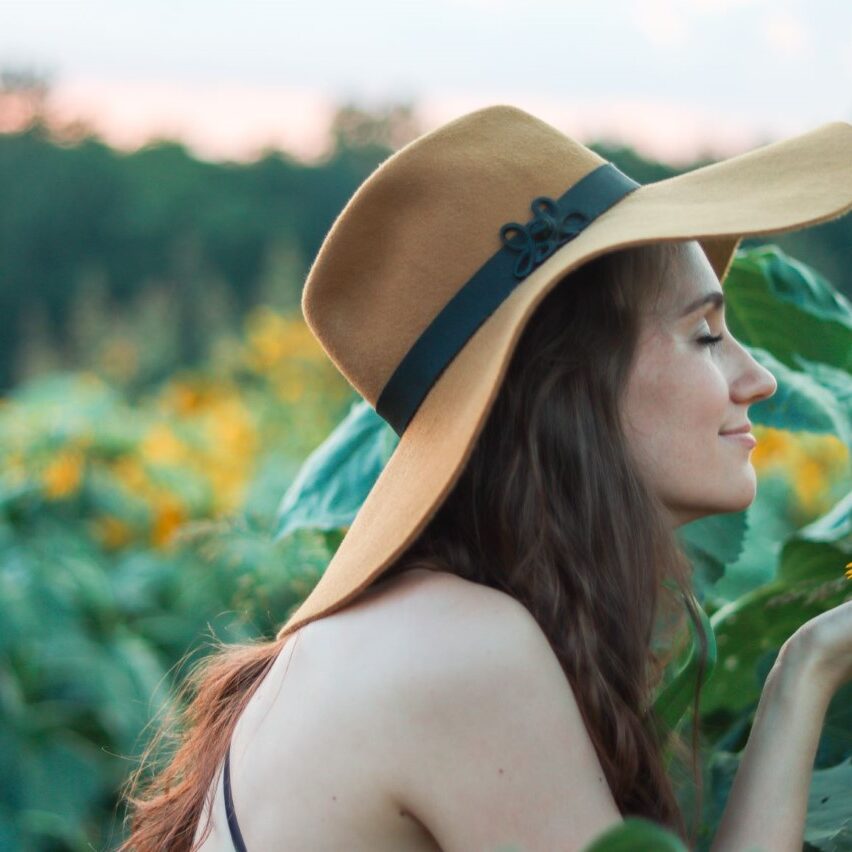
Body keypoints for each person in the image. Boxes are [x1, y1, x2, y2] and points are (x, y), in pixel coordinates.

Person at [119, 105, 852, 852]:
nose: (757, 377)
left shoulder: (424, 627)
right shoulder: (464, 651)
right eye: (704, 335)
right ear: (571, 390)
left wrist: (807, 665)